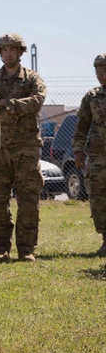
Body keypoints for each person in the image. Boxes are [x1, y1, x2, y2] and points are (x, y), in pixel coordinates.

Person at [0, 34, 47, 262]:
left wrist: (7, 104)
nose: (8, 53)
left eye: (13, 49)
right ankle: (1, 249)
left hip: (26, 148)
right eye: (4, 49)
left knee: (28, 201)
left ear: (21, 52)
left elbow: (37, 101)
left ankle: (26, 249)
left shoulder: (32, 78)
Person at [73, 54, 106, 256]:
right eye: (98, 71)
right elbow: (81, 127)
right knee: (99, 200)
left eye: (105, 70)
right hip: (98, 158)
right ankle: (105, 240)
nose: (102, 75)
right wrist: (78, 150)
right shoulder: (91, 97)